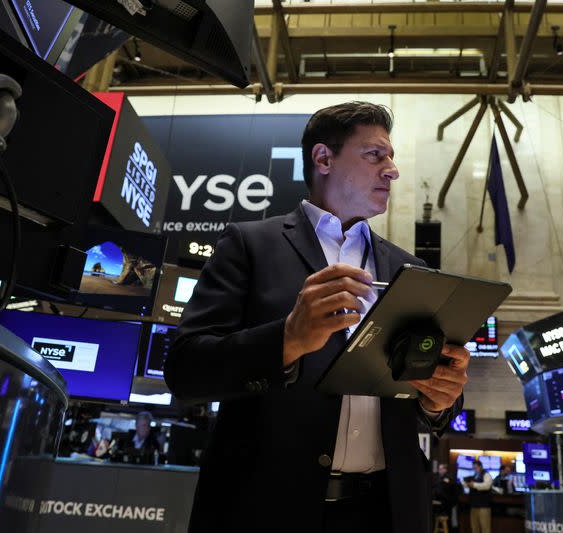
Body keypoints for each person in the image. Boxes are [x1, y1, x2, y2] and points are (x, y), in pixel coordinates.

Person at [165, 102, 468, 533]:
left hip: (387, 512)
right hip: (267, 508)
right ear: (323, 158)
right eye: (375, 155)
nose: (392, 170)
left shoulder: (409, 269)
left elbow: (430, 401)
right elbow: (186, 370)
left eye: (391, 157)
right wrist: (287, 339)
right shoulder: (249, 245)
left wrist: (440, 400)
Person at [464, 460, 493, 533]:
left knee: (485, 528)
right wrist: (467, 484)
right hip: (474, 505)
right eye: (473, 468)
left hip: (484, 506)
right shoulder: (474, 476)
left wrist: (474, 485)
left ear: (480, 466)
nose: (475, 469)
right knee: (475, 528)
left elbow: (487, 486)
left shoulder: (486, 475)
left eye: (476, 467)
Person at [432, 463, 459, 530]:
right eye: (439, 469)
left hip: (448, 505)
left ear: (445, 470)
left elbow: (445, 492)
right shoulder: (438, 478)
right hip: (442, 504)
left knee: (449, 523)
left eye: (441, 469)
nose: (439, 470)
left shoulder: (449, 479)